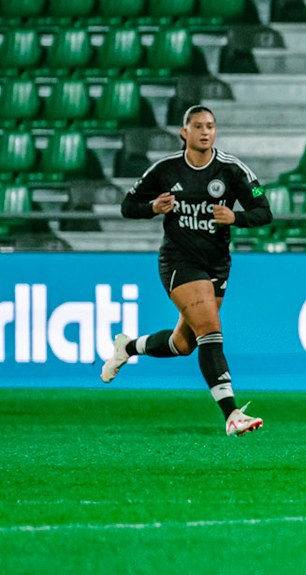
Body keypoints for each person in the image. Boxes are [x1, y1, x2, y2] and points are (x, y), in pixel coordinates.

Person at [102, 106, 272, 436]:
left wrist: (236, 218)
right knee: (211, 330)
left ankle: (128, 348)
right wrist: (152, 207)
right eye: (198, 126)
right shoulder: (165, 169)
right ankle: (232, 414)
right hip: (179, 262)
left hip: (217, 264)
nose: (205, 132)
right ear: (184, 132)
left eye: (210, 126)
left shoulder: (232, 169)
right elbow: (128, 206)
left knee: (184, 343)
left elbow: (263, 211)